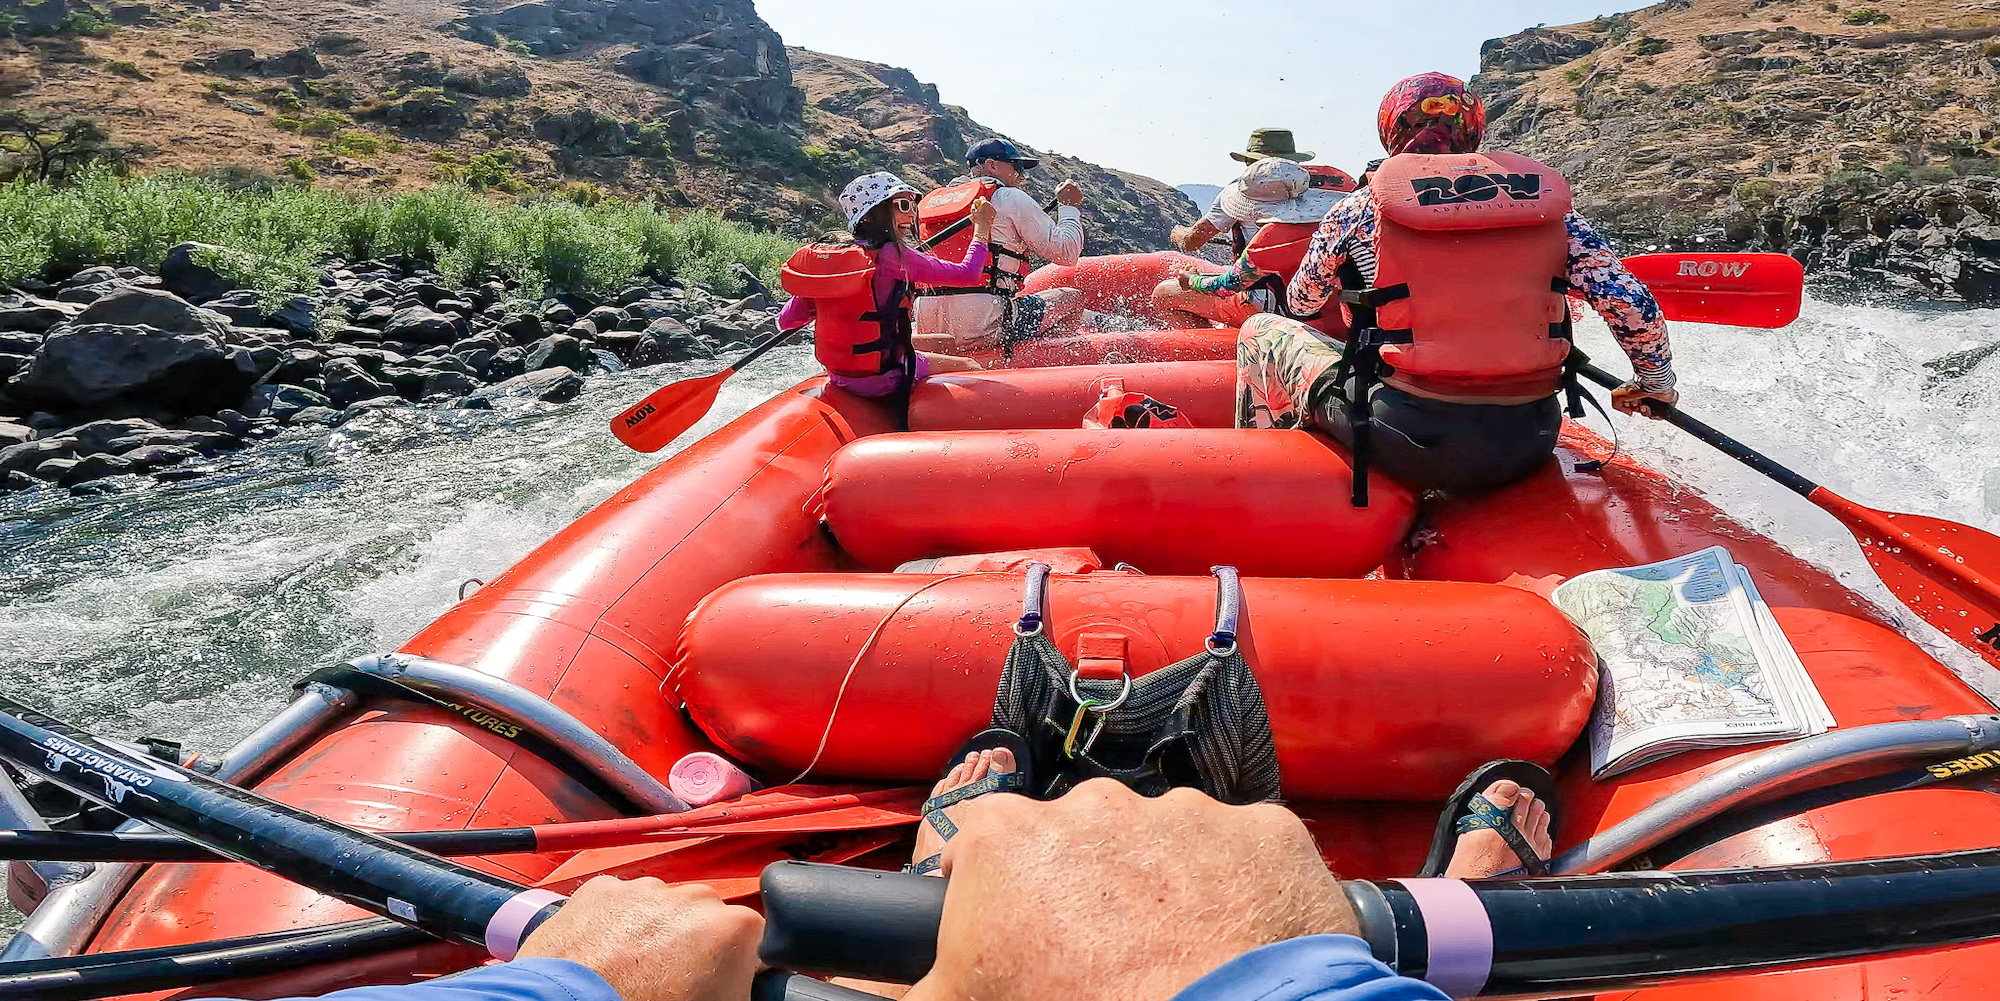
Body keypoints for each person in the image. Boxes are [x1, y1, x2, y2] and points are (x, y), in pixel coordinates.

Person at [1191, 73, 1680, 496]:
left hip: (1402, 436)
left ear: (1389, 131)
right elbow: (1634, 306)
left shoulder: (1361, 209)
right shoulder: (1555, 217)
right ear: (1474, 130)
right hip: (1529, 439)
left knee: (1261, 329)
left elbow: (1300, 302)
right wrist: (1654, 386)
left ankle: (1256, 474)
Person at [776, 172, 987, 400]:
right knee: (970, 364)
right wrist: (982, 227)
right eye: (902, 205)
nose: (911, 214)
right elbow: (969, 273)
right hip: (884, 379)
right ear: (871, 214)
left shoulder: (828, 259)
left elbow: (786, 321)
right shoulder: (895, 256)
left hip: (839, 376)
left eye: (914, 206)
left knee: (940, 342)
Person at [913, 138, 1086, 351]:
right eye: (1017, 167)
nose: (1022, 175)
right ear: (992, 165)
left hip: (928, 325)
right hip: (983, 323)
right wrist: (1069, 207)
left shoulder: (930, 205)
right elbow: (1067, 253)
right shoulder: (1009, 197)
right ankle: (1045, 363)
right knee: (1072, 298)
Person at [1153, 158, 1341, 328]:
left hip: (1283, 314)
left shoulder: (1272, 238)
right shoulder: (1337, 220)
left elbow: (1226, 286)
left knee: (1163, 294)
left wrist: (1191, 280)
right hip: (1335, 310)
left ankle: (1216, 351)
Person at [1168, 128, 1318, 258]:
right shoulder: (1320, 190)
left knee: (1165, 289)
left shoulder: (1236, 194)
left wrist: (1177, 233)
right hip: (1315, 281)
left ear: (1250, 162)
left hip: (1260, 284)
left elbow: (1191, 242)